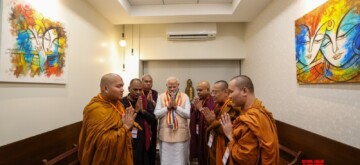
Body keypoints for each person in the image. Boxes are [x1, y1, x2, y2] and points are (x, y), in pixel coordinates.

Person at [78, 73, 136, 165]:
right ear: (105, 88)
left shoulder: (118, 105)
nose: (122, 90)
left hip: (121, 156)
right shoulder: (96, 109)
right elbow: (103, 143)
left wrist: (129, 125)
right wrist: (125, 127)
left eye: (122, 86)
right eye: (118, 86)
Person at [220, 75, 279, 165]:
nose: (229, 97)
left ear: (244, 91)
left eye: (231, 92)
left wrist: (229, 134)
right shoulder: (253, 112)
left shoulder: (254, 118)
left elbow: (244, 159)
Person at [202, 80, 240, 165]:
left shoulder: (231, 106)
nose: (213, 95)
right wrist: (210, 122)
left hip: (225, 146)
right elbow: (215, 125)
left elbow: (228, 130)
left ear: (226, 92)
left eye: (215, 92)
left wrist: (212, 122)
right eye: (212, 92)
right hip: (216, 144)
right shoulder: (219, 106)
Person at [154, 77, 191, 165]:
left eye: (174, 86)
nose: (172, 89)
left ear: (178, 85)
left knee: (179, 160)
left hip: (180, 135)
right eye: (169, 87)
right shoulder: (161, 96)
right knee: (166, 160)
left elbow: (188, 114)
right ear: (166, 86)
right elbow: (156, 114)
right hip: (165, 134)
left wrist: (176, 107)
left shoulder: (185, 96)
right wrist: (167, 108)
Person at [121, 78, 157, 165]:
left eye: (140, 90)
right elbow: (122, 119)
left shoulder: (145, 101)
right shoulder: (122, 102)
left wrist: (143, 111)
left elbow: (153, 118)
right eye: (135, 89)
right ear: (129, 88)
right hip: (128, 136)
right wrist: (136, 111)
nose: (138, 92)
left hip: (142, 137)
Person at [190, 80, 216, 165]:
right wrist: (195, 109)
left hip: (207, 134)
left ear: (208, 90)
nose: (198, 92)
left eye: (200, 90)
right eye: (197, 90)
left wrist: (200, 109)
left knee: (207, 156)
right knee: (200, 155)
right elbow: (192, 115)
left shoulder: (212, 101)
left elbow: (210, 118)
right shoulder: (199, 100)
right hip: (199, 133)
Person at [141, 74, 159, 165]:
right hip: (142, 125)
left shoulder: (155, 93)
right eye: (146, 81)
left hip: (152, 124)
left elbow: (158, 110)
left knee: (152, 150)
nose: (148, 83)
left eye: (150, 82)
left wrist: (152, 102)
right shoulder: (138, 92)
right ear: (142, 82)